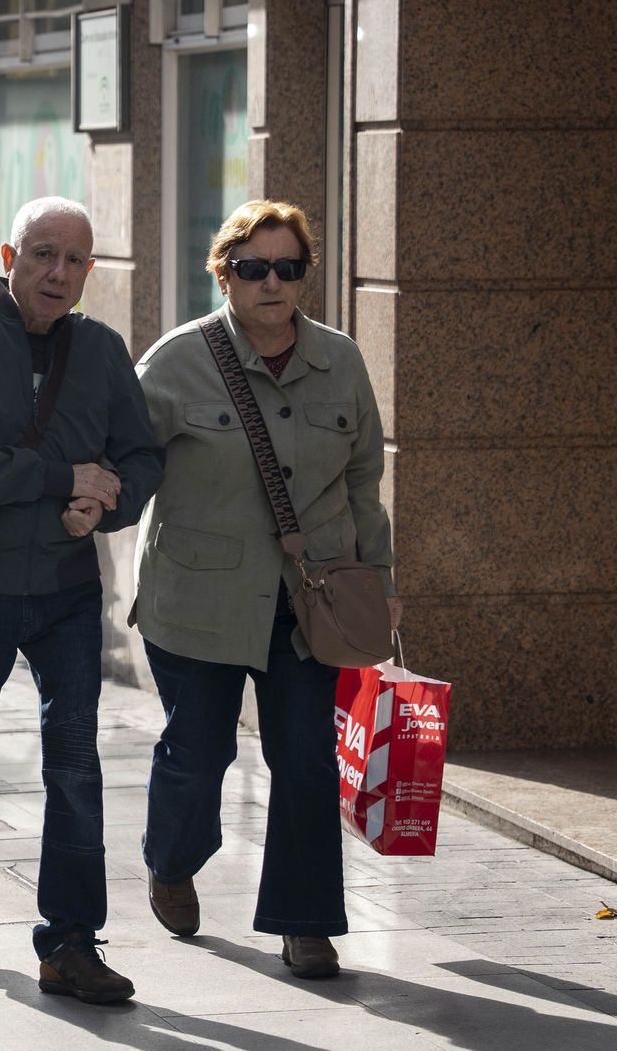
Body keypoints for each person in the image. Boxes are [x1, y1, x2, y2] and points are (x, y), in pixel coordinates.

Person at [0, 196, 165, 1004]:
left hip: (65, 589)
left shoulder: (102, 350)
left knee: (76, 765)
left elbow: (141, 456)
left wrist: (104, 505)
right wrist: (59, 479)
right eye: (43, 254)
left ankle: (71, 943)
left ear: (90, 270)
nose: (58, 272)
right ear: (10, 258)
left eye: (75, 259)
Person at [132, 200, 400, 979]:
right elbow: (124, 458)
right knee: (198, 753)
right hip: (197, 600)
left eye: (288, 267)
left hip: (311, 603)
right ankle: (172, 859)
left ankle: (305, 923)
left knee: (307, 758)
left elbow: (363, 482)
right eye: (254, 268)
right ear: (224, 274)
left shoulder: (340, 361)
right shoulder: (176, 361)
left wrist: (380, 580)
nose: (272, 283)